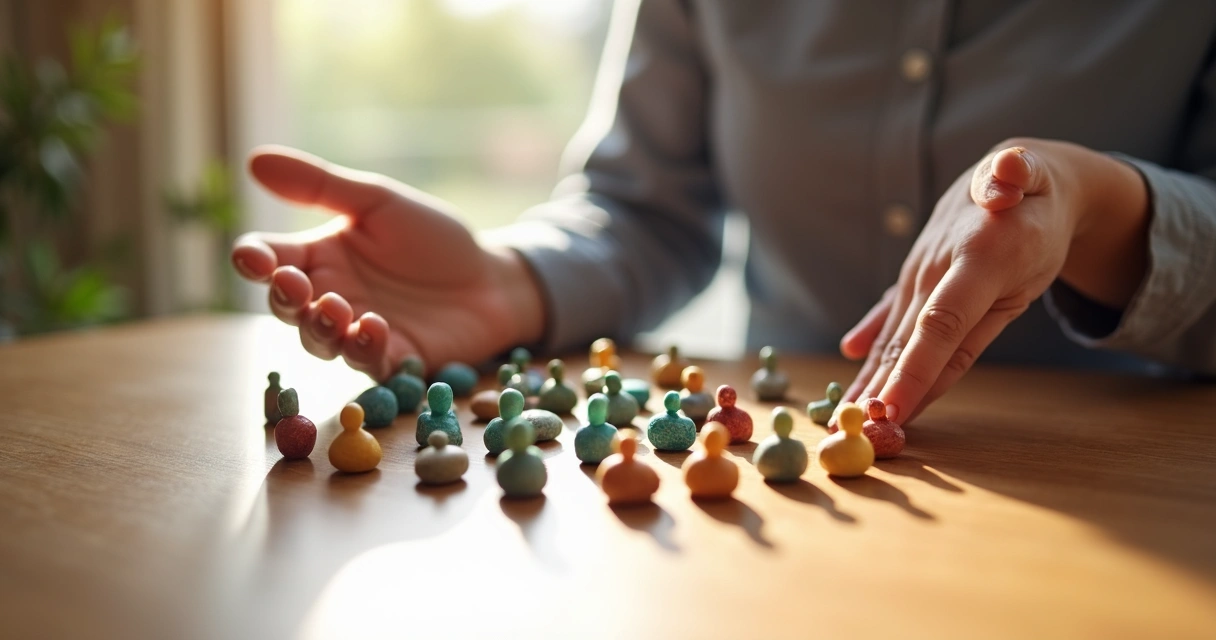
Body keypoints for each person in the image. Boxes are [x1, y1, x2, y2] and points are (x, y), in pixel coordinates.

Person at [231, 1, 1216, 426]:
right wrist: (506, 282)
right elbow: (646, 207)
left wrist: (1095, 206)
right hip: (794, 492)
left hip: (1140, 486)